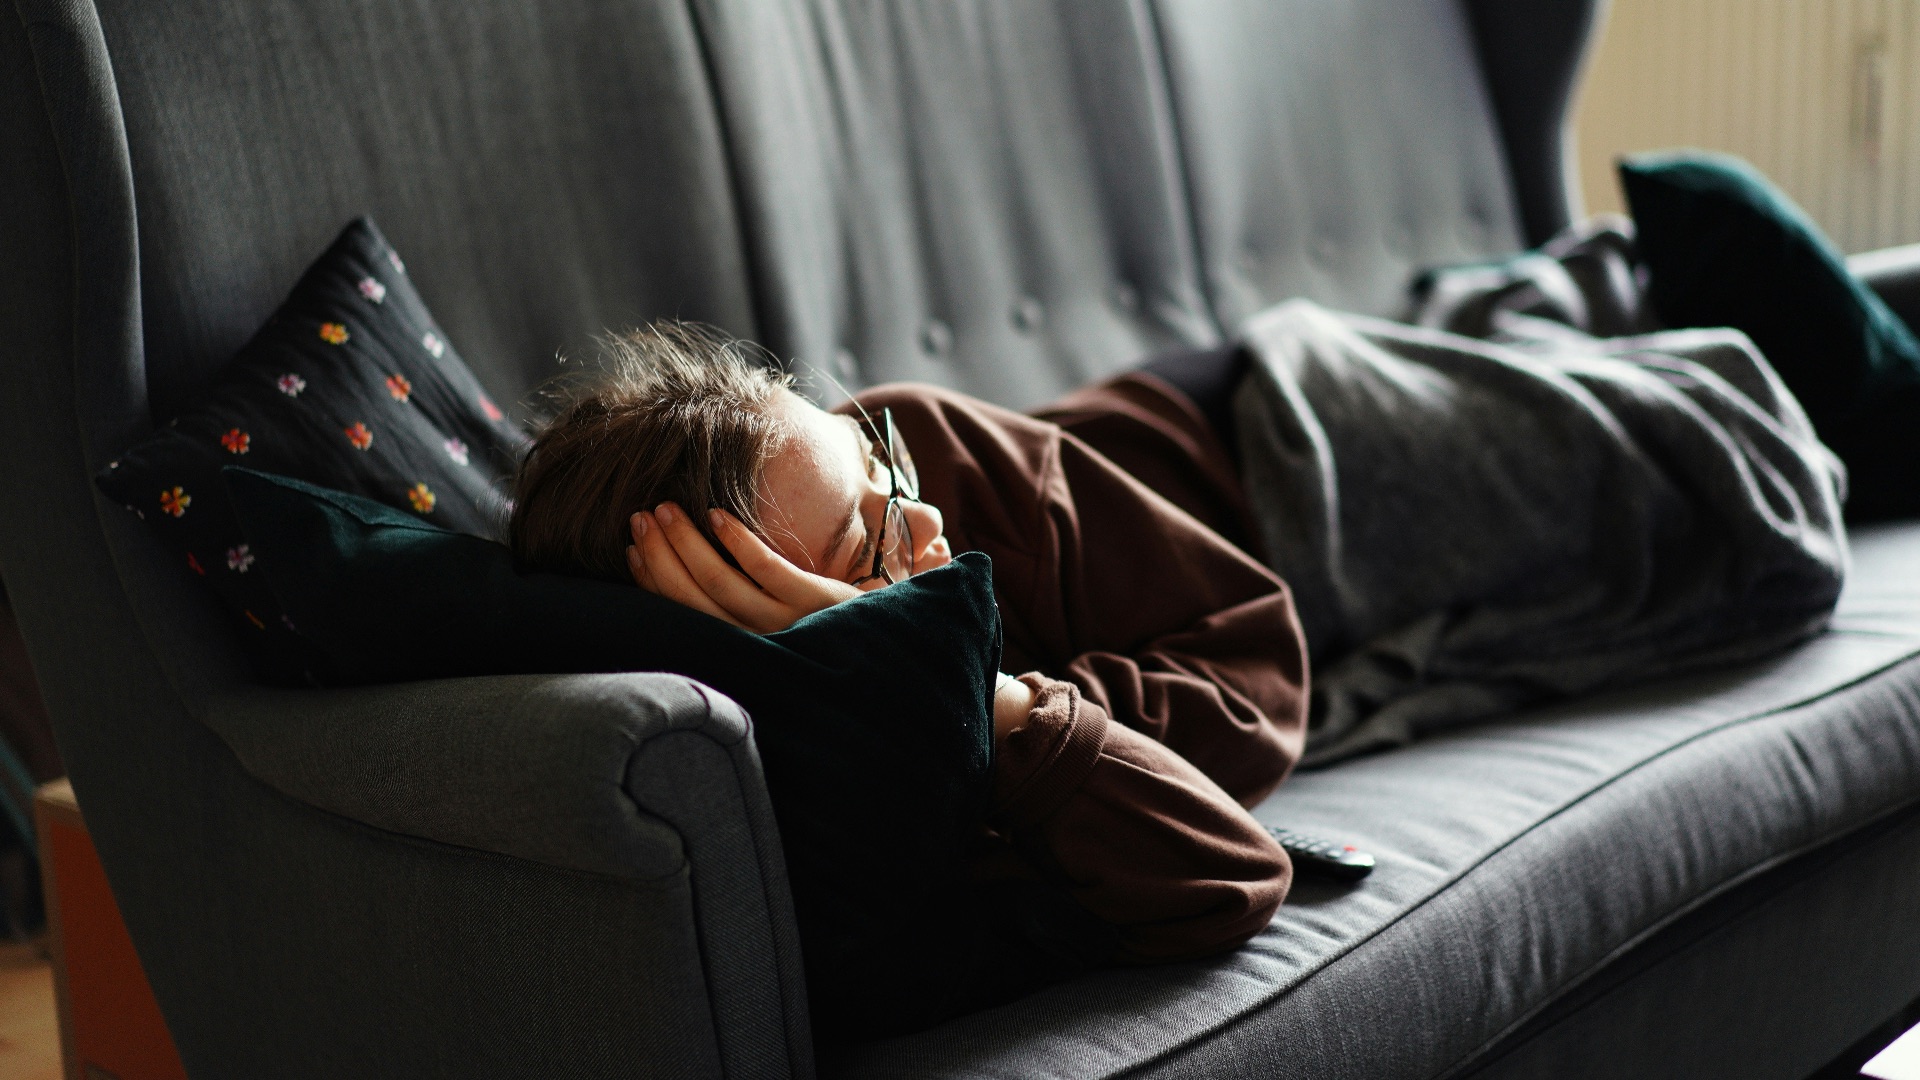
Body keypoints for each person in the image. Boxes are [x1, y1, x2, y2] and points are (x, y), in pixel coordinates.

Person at [508, 322, 1308, 974]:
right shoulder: (848, 779)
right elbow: (1228, 873)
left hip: (1270, 422)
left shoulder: (932, 443)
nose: (923, 520)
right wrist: (962, 685)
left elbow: (1259, 677)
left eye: (876, 461)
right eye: (867, 547)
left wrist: (1006, 705)